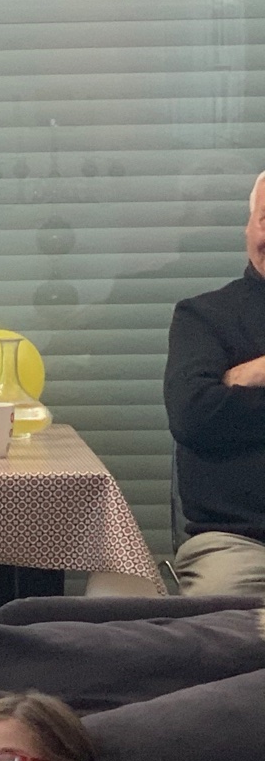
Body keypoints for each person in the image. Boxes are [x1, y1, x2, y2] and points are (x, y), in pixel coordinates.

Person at [163, 169, 265, 596]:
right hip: (240, 546)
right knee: (227, 629)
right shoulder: (203, 317)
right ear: (248, 228)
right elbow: (195, 416)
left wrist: (251, 379)